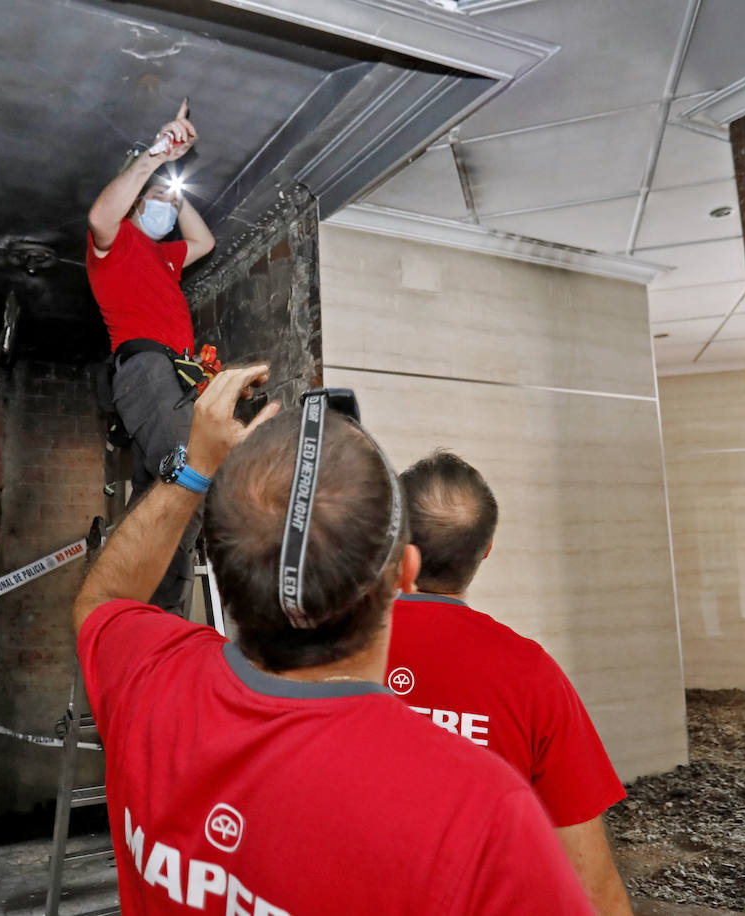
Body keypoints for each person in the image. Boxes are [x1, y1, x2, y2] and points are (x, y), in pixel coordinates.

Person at [72, 367, 593, 914]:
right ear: (404, 575)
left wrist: (194, 470)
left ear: (221, 572)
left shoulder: (149, 681)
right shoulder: (483, 821)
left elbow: (101, 601)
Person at [386, 451, 632, 915]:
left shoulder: (331, 647)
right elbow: (592, 886)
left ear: (394, 540)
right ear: (487, 548)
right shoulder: (531, 675)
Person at [86, 98, 215, 613]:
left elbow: (204, 241)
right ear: (136, 200)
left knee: (156, 502)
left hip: (170, 381)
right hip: (146, 372)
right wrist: (156, 158)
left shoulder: (165, 258)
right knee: (189, 481)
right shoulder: (113, 247)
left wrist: (176, 195)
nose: (165, 201)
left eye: (169, 197)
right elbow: (100, 213)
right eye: (156, 197)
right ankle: (160, 621)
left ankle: (137, 612)